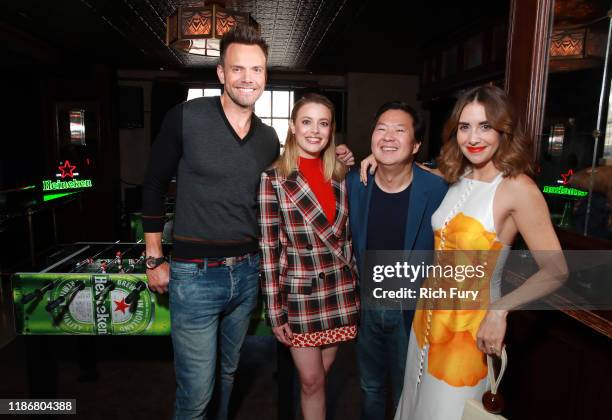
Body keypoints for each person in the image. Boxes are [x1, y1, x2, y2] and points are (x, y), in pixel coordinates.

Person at [142, 26, 354, 420]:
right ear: (221, 73)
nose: (247, 78)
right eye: (237, 68)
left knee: (227, 374)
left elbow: (297, 177)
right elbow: (153, 184)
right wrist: (154, 257)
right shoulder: (186, 117)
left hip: (247, 273)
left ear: (265, 77)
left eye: (256, 70)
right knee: (196, 391)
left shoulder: (268, 138)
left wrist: (342, 156)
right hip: (194, 274)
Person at [391, 85, 568, 420]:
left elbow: (557, 269)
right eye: (464, 126)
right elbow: (418, 168)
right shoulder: (461, 175)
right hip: (425, 324)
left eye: (485, 126)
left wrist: (500, 311)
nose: (473, 137)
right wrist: (375, 157)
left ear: (504, 130)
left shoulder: (518, 188)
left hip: (468, 334)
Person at [258, 93, 360, 420]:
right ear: (292, 127)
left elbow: (349, 237)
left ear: (331, 131)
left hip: (340, 291)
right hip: (301, 295)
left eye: (323, 123)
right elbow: (269, 249)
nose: (314, 130)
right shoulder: (273, 179)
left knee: (320, 380)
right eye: (306, 122)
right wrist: (275, 311)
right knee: (311, 380)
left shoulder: (341, 175)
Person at [346, 102, 448, 420]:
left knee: (410, 393)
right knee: (370, 389)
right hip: (367, 307)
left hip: (413, 310)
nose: (388, 137)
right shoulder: (355, 184)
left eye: (399, 130)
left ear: (416, 145)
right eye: (381, 128)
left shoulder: (438, 188)